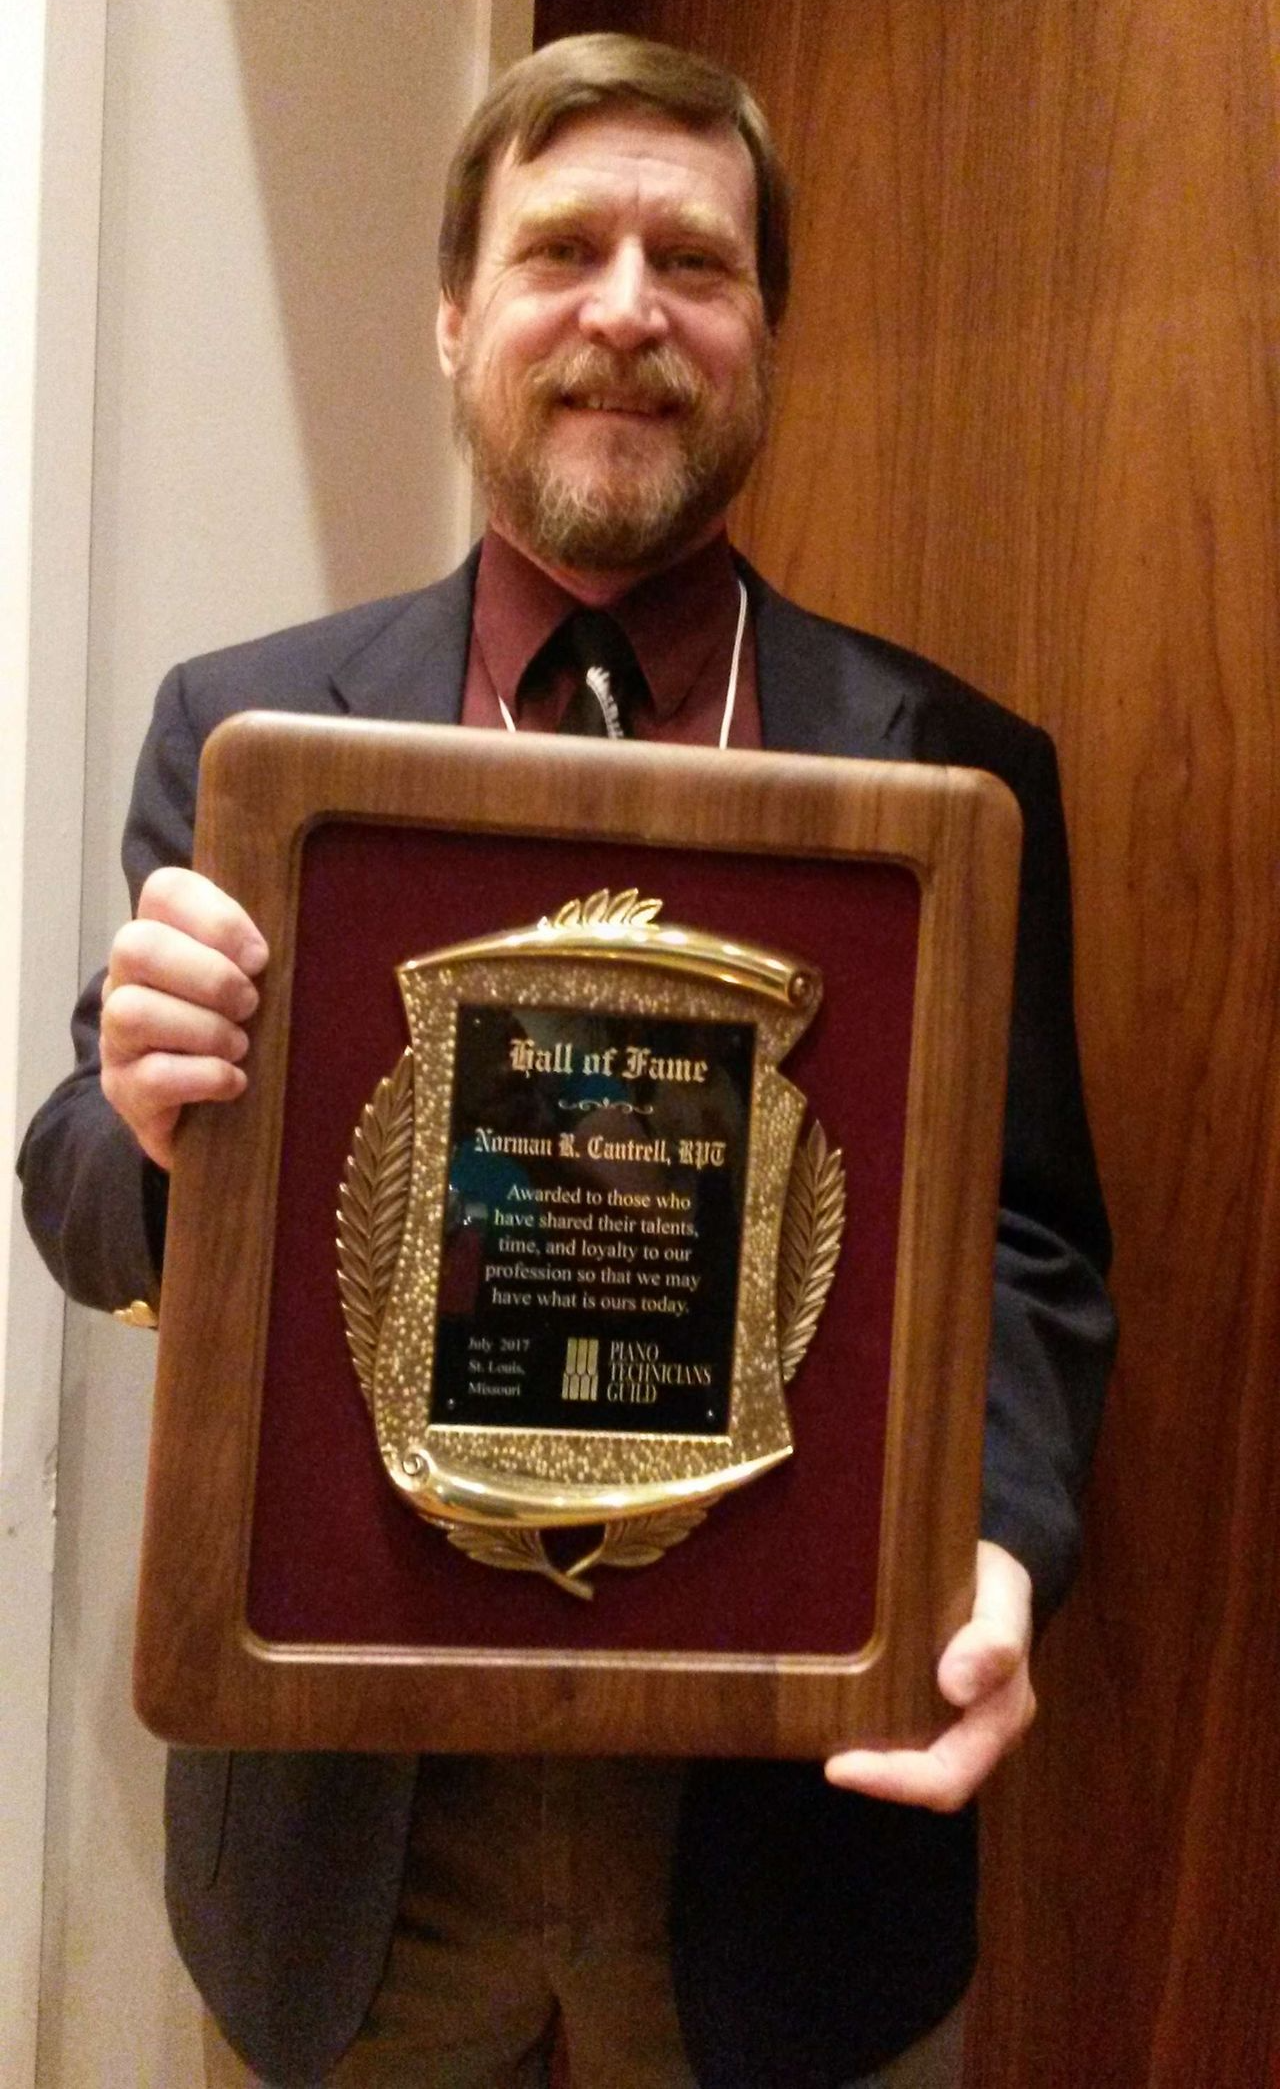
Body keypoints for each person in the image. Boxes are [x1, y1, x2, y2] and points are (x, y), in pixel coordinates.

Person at [18, 33, 1114, 2089]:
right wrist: (156, 1130)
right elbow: (78, 1186)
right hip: (361, 1865)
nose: (627, 309)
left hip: (787, 1861)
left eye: (691, 261)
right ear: (455, 320)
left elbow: (1029, 1251)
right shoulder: (252, 729)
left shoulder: (950, 774)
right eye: (561, 251)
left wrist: (995, 1539)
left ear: (764, 329)